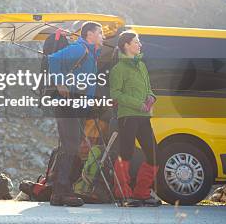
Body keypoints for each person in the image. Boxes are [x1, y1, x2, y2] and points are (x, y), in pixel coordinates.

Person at [47, 21, 104, 207]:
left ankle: (58, 193)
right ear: (90, 34)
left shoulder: (92, 53)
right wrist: (60, 83)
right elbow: (53, 59)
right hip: (68, 104)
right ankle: (63, 189)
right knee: (71, 146)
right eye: (100, 32)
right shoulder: (80, 49)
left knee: (69, 146)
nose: (102, 36)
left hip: (77, 105)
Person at [110, 31, 161, 207]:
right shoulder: (118, 69)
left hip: (144, 117)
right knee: (126, 153)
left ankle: (141, 193)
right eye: (136, 42)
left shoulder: (142, 66)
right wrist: (137, 104)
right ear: (126, 45)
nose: (140, 45)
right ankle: (123, 194)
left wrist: (151, 97)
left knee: (154, 154)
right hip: (128, 116)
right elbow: (115, 94)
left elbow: (149, 88)